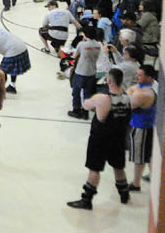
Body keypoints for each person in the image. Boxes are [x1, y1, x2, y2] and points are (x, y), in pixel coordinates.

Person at [65, 68, 131, 210]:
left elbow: (85, 105)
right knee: (118, 167)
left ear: (110, 80)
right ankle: (124, 194)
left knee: (94, 170)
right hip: (118, 139)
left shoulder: (103, 99)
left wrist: (91, 97)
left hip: (100, 139)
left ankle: (86, 200)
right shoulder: (128, 98)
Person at [127, 65, 157, 192]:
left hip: (141, 128)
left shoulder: (145, 93)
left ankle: (136, 183)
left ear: (149, 78)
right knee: (148, 155)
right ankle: (153, 176)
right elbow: (130, 90)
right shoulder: (144, 87)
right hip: (144, 126)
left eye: (140, 75)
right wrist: (132, 92)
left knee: (140, 157)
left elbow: (128, 105)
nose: (136, 77)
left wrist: (132, 93)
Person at [68, 27, 102, 120]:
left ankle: (76, 110)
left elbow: (75, 55)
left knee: (76, 92)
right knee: (87, 93)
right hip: (91, 72)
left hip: (80, 71)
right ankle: (85, 112)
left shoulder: (82, 44)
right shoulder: (99, 44)